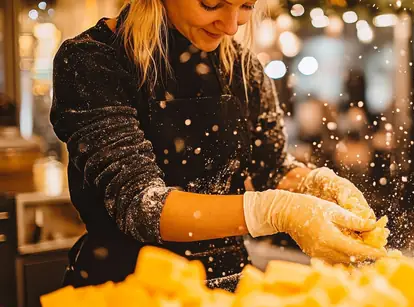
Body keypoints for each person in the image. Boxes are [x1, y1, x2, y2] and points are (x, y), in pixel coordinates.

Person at [51, 0, 385, 290]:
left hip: (230, 292)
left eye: (246, 7)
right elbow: (143, 207)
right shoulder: (93, 61)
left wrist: (313, 186)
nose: (229, 25)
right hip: (127, 297)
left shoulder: (244, 69)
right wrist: (277, 210)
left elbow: (273, 169)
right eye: (211, 4)